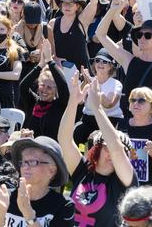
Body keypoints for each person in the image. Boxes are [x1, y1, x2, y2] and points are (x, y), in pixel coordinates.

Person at [59, 74, 138, 227]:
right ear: (97, 150)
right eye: (105, 147)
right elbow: (64, 140)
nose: (112, 153)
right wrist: (73, 102)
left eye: (123, 151)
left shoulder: (125, 182)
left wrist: (97, 108)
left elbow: (116, 149)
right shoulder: (83, 172)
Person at [0, 136, 75, 226]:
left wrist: (29, 214)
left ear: (51, 171)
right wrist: (1, 212)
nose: (25, 167)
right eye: (23, 162)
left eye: (33, 162)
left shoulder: (63, 205)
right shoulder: (6, 197)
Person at [96, 0, 152, 117]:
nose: (142, 38)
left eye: (148, 35)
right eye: (139, 34)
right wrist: (112, 11)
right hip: (129, 124)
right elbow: (100, 34)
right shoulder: (129, 60)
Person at [18, 39, 69, 139]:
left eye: (49, 87)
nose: (44, 90)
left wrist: (50, 61)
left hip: (49, 149)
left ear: (55, 90)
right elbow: (23, 86)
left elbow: (63, 86)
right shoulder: (32, 102)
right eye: (42, 85)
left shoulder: (60, 104)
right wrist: (40, 65)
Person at [74, 48, 123, 144]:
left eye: (104, 61)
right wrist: (85, 81)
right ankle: (82, 156)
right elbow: (79, 101)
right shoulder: (89, 81)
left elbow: (109, 104)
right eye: (97, 61)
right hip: (88, 121)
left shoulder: (116, 84)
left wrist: (94, 84)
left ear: (110, 66)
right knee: (77, 133)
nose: (100, 64)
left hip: (108, 122)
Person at [48, 0, 99, 70]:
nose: (67, 6)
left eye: (71, 4)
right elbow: (48, 48)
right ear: (61, 6)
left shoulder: (82, 21)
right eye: (65, 3)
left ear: (77, 6)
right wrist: (54, 58)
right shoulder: (53, 23)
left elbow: (94, 2)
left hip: (81, 73)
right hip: (59, 71)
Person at [117, 87, 152, 185]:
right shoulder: (121, 124)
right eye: (132, 100)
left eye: (141, 100)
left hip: (150, 187)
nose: (135, 103)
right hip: (123, 184)